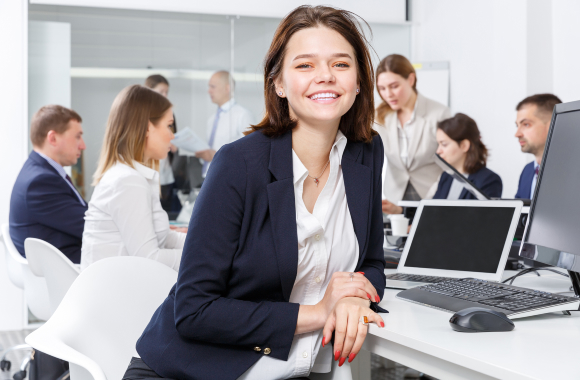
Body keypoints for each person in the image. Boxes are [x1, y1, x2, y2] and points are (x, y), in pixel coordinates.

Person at [126, 6, 387, 380]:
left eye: (341, 64)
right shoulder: (238, 163)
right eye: (305, 65)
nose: (326, 76)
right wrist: (319, 311)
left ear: (359, 79)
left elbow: (373, 264)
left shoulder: (366, 152)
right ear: (278, 83)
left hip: (294, 370)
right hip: (193, 371)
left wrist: (352, 295)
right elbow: (194, 310)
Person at [81, 85, 186, 271]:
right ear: (147, 127)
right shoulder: (127, 181)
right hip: (116, 294)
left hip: (122, 286)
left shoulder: (131, 176)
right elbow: (149, 259)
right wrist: (205, 255)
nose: (172, 135)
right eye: (169, 126)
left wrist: (205, 243)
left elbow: (164, 238)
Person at [374, 54, 451, 215]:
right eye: (382, 88)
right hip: (395, 194)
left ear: (411, 80)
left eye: (394, 86)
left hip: (430, 193)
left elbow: (450, 163)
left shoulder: (438, 113)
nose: (388, 94)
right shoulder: (378, 116)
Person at [9, 105, 87, 264]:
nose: (83, 145)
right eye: (77, 136)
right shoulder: (40, 182)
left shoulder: (41, 173)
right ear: (52, 138)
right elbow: (91, 227)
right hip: (67, 270)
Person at [427, 113, 502, 199]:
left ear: (464, 145)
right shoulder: (446, 176)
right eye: (438, 144)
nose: (438, 151)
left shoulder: (489, 180)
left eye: (444, 144)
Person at [196, 70, 254, 177]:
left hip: (229, 177)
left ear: (227, 89)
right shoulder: (212, 119)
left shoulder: (242, 115)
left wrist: (216, 156)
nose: (209, 91)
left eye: (212, 87)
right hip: (210, 177)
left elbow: (250, 153)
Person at [144, 74, 182, 213]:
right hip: (148, 173)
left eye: (167, 92)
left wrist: (174, 146)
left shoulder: (169, 113)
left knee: (165, 214)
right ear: (149, 90)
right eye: (161, 92)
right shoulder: (142, 114)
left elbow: (174, 138)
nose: (165, 95)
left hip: (166, 176)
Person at [514, 94, 562, 199]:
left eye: (526, 124)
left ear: (553, 124)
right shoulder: (527, 171)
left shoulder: (573, 171)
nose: (517, 134)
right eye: (517, 126)